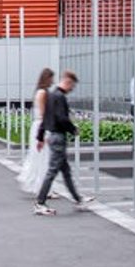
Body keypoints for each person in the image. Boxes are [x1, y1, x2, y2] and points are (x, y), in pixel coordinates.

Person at [33, 71, 94, 215]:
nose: (72, 89)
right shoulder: (60, 97)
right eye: (72, 86)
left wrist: (40, 137)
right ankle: (40, 202)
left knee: (65, 171)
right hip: (58, 137)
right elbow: (61, 118)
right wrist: (73, 129)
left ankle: (78, 199)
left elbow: (45, 118)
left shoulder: (51, 95)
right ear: (68, 82)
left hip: (52, 136)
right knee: (53, 171)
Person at [15, 67, 54, 195]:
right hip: (41, 126)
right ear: (47, 78)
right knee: (43, 158)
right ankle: (43, 188)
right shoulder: (43, 93)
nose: (52, 81)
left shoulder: (39, 92)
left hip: (38, 126)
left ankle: (42, 186)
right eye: (51, 78)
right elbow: (43, 113)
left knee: (39, 157)